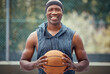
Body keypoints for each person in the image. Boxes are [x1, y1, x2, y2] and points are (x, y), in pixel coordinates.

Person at [20, 0, 89, 74]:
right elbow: (22, 63)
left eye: (57, 9)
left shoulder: (74, 36)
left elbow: (85, 62)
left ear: (62, 13)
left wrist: (74, 66)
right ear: (46, 13)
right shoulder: (34, 36)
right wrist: (34, 64)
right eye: (50, 9)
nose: (54, 12)